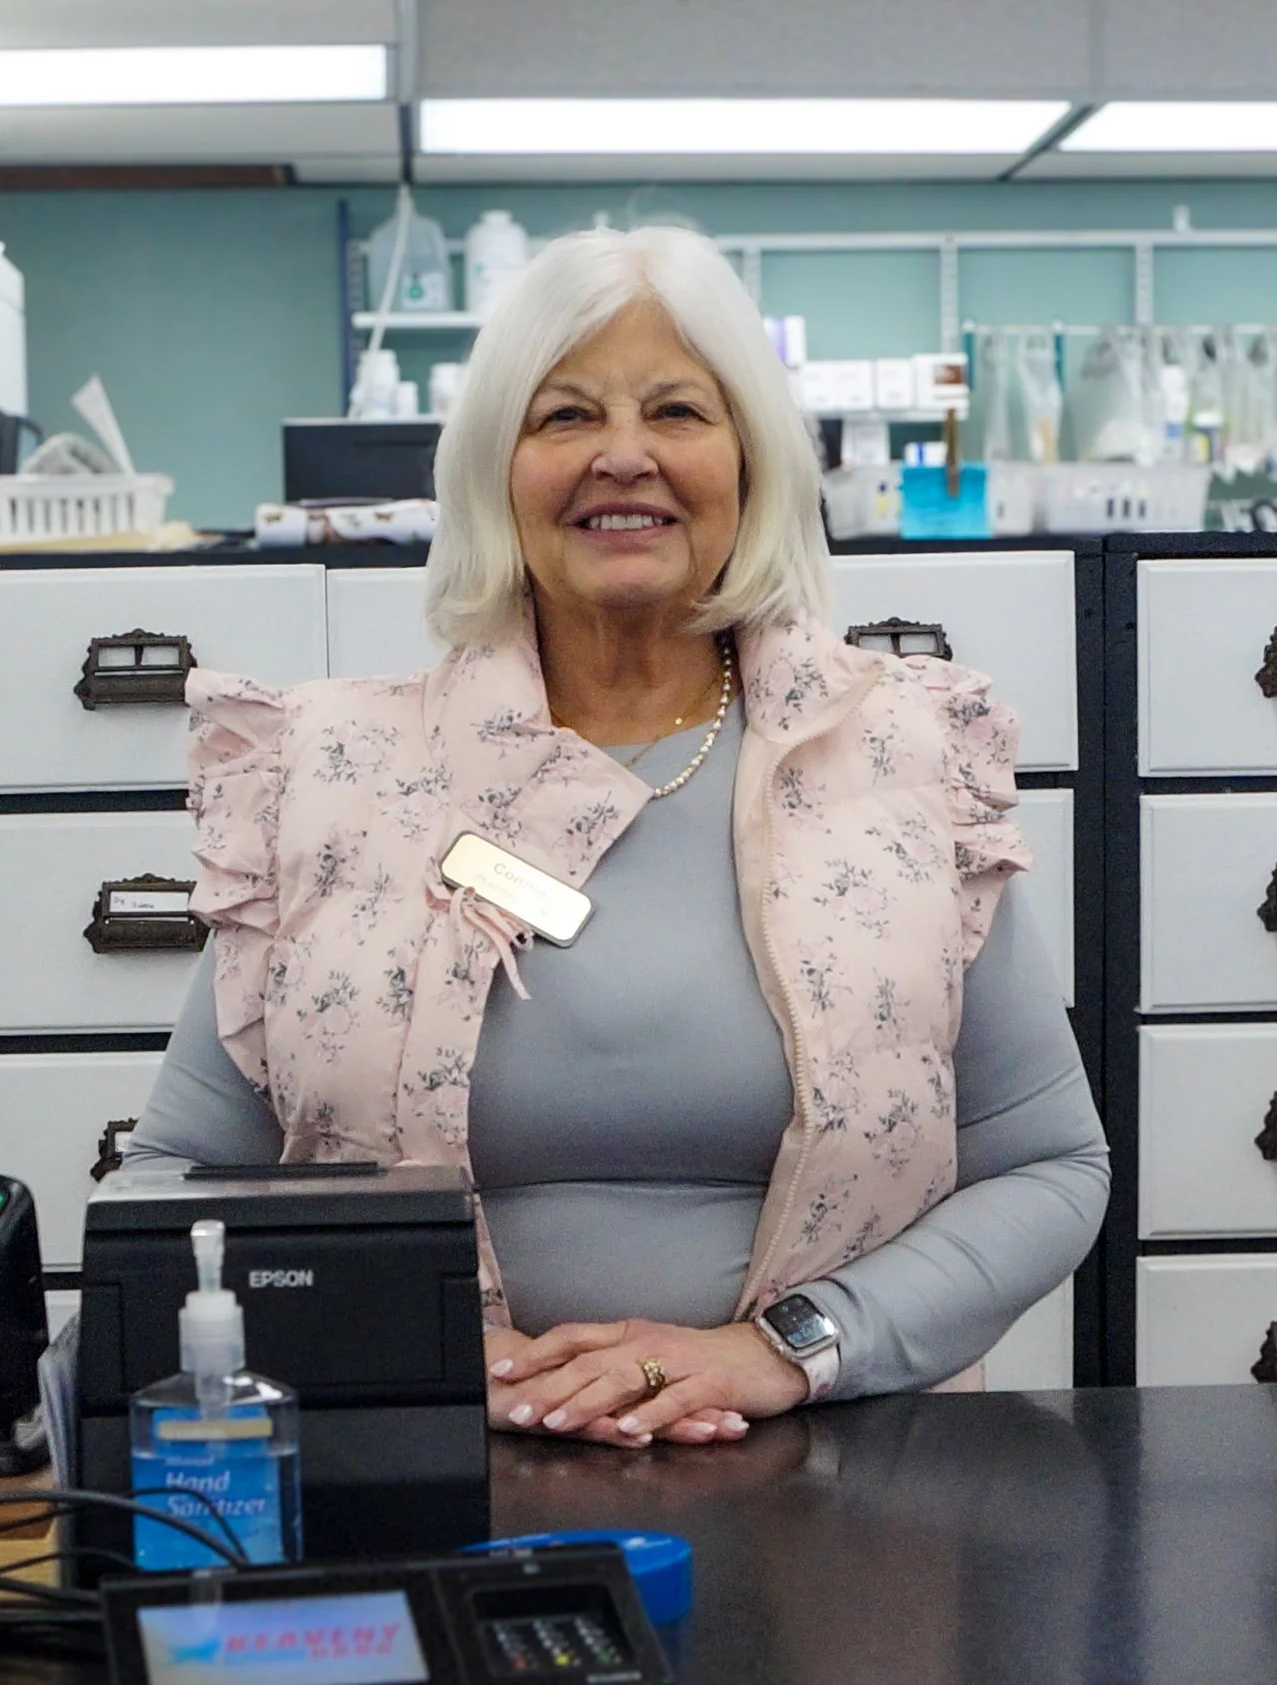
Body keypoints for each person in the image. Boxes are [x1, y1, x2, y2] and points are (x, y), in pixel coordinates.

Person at [130, 224, 1109, 1450]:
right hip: (434, 1455)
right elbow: (174, 1186)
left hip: (840, 1468)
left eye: (678, 411)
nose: (624, 456)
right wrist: (400, 1344)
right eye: (565, 416)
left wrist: (780, 1351)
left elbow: (1047, 1165)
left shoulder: (902, 755)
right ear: (495, 469)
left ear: (751, 461)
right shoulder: (333, 771)